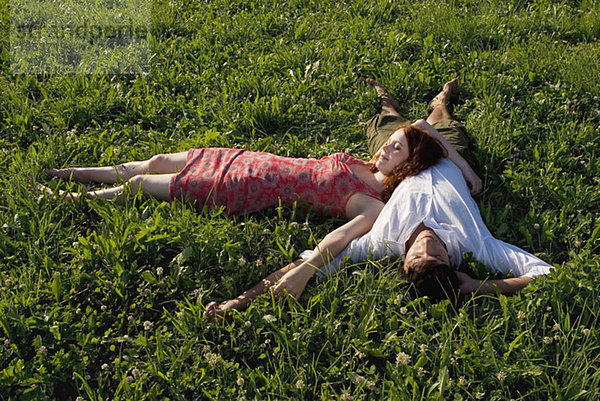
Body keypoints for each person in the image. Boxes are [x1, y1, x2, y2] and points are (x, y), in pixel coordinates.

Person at [41, 78, 481, 311]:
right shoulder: (367, 165)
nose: (385, 148)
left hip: (242, 186)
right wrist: (404, 134)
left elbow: (335, 242)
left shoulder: (373, 205)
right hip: (250, 159)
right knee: (153, 161)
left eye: (395, 149)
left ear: (405, 165)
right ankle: (71, 172)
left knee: (139, 186)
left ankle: (65, 199)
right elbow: (398, 139)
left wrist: (303, 271)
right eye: (389, 143)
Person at [203, 78, 488, 319]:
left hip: (406, 159)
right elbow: (424, 129)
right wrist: (468, 171)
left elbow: (310, 262)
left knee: (389, 122)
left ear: (403, 263)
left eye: (419, 256)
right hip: (437, 155)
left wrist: (240, 300)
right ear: (449, 258)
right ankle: (432, 102)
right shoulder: (471, 240)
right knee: (443, 126)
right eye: (436, 255)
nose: (426, 247)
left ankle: (409, 104)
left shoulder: (383, 238)